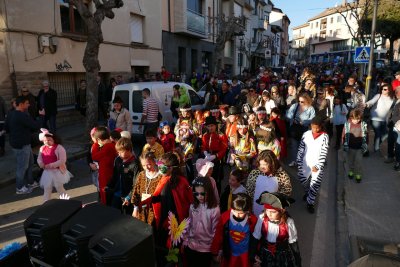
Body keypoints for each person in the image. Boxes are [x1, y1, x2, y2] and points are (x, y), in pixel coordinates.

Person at [141, 152, 193, 267]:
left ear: (172, 168)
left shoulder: (181, 181)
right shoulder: (165, 178)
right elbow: (157, 196)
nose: (160, 169)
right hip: (163, 219)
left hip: (173, 222)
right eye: (159, 165)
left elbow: (187, 201)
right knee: (164, 249)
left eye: (162, 166)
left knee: (171, 250)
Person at [250, 192, 301, 267]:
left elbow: (293, 244)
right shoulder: (262, 218)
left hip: (281, 256)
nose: (269, 214)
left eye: (273, 212)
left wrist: (298, 262)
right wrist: (252, 255)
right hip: (264, 254)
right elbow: (256, 237)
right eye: (267, 210)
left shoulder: (288, 222)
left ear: (282, 211)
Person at [5, 96, 40, 194]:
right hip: (22, 145)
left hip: (20, 144)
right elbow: (35, 126)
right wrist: (42, 116)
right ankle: (19, 188)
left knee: (30, 163)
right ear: (21, 104)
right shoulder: (21, 115)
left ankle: (31, 182)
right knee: (22, 167)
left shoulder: (11, 114)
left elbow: (7, 129)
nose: (29, 105)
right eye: (27, 103)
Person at [211, 193, 257, 267]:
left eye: (240, 213)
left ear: (247, 211)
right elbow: (219, 235)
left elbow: (256, 239)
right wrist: (216, 251)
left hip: (245, 255)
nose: (237, 215)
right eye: (234, 211)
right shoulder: (225, 217)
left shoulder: (253, 220)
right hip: (230, 253)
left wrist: (255, 255)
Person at [183, 177, 220, 267]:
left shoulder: (215, 209)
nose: (199, 196)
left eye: (202, 193)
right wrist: (186, 239)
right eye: (196, 193)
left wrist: (215, 250)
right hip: (191, 245)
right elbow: (189, 224)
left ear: (209, 192)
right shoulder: (192, 206)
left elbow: (216, 231)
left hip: (205, 249)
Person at [296, 116, 329, 214]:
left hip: (316, 165)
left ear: (321, 126)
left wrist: (318, 165)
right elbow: (301, 147)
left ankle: (310, 202)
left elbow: (324, 152)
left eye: (317, 127)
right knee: (303, 180)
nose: (315, 129)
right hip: (305, 163)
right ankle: (307, 192)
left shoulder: (324, 137)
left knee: (315, 184)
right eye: (313, 127)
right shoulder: (306, 134)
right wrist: (298, 160)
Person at [246, 150, 292, 216]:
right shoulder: (254, 173)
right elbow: (249, 191)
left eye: (265, 164)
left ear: (272, 163)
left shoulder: (282, 176)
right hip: (255, 209)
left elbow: (286, 193)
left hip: (273, 212)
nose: (262, 167)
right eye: (260, 164)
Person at [107, 137, 140, 213]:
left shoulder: (135, 164)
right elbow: (115, 175)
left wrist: (129, 196)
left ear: (129, 150)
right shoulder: (118, 160)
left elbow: (136, 183)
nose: (119, 154)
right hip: (117, 192)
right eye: (118, 152)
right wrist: (109, 185)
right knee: (113, 212)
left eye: (121, 152)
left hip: (127, 195)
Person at [37, 129, 71, 202]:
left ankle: (66, 201)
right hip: (47, 172)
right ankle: (46, 202)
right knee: (47, 188)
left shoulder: (59, 148)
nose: (47, 142)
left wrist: (51, 165)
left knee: (59, 187)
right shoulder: (42, 148)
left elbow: (62, 160)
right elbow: (39, 158)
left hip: (57, 171)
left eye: (49, 140)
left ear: (54, 139)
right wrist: (41, 163)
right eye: (45, 140)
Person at [132, 151, 162, 224]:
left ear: (154, 161)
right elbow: (136, 192)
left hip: (155, 210)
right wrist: (135, 209)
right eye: (144, 165)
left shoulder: (161, 176)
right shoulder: (141, 174)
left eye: (148, 164)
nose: (146, 168)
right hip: (142, 209)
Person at [286, 93, 316, 167]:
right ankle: (294, 160)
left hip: (304, 130)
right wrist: (293, 119)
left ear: (307, 100)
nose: (300, 103)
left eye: (302, 102)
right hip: (294, 128)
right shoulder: (295, 106)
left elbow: (313, 119)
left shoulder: (310, 108)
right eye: (299, 101)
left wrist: (304, 122)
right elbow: (288, 115)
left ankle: (302, 162)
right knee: (294, 146)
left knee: (303, 147)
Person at [91, 126, 118, 205]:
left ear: (99, 139)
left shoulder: (107, 147)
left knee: (105, 195)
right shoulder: (112, 145)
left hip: (105, 175)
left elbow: (94, 156)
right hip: (109, 172)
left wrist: (95, 144)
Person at [201, 116, 228, 193]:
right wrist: (205, 153)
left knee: (217, 180)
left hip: (217, 160)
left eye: (212, 126)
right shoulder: (205, 135)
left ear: (216, 126)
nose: (210, 128)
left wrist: (215, 156)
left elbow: (224, 148)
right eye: (208, 126)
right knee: (208, 178)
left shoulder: (221, 135)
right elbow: (203, 146)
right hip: (208, 158)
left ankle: (217, 196)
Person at [365, 83, 395, 152]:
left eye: (385, 89)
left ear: (389, 90)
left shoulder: (392, 99)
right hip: (375, 118)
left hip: (384, 120)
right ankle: (377, 149)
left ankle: (376, 145)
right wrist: (367, 104)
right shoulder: (378, 95)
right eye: (382, 89)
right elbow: (372, 101)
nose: (382, 90)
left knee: (386, 134)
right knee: (378, 134)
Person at [342, 109, 368, 183]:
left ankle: (358, 174)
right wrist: (344, 143)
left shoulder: (363, 124)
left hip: (359, 147)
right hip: (350, 147)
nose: (356, 121)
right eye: (354, 119)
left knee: (358, 162)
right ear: (351, 118)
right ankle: (351, 171)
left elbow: (366, 135)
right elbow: (343, 135)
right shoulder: (347, 124)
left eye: (358, 119)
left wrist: (365, 145)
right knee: (350, 161)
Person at [386, 86, 400, 165]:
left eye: (397, 92)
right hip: (392, 124)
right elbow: (392, 112)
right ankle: (390, 157)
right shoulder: (395, 100)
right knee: (390, 141)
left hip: (398, 126)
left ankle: (397, 161)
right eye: (396, 92)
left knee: (398, 145)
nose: (396, 93)